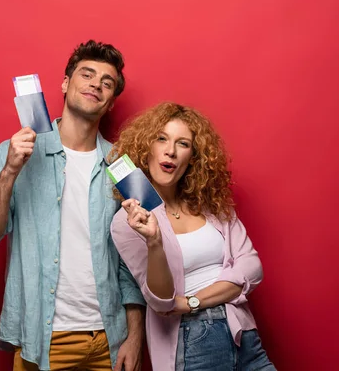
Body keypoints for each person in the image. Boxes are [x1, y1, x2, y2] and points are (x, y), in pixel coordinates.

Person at [0, 40, 146, 371]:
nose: (96, 84)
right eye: (87, 74)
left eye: (107, 83)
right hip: (43, 340)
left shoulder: (123, 165)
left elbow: (133, 262)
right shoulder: (15, 151)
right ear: (65, 84)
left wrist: (134, 338)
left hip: (109, 340)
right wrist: (10, 171)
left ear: (110, 103)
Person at [110, 102, 276, 371]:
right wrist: (154, 241)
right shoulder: (127, 222)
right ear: (146, 148)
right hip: (194, 340)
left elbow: (252, 267)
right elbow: (161, 302)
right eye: (161, 138)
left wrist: (190, 302)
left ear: (193, 157)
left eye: (182, 143)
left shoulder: (212, 206)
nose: (170, 151)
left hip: (243, 332)